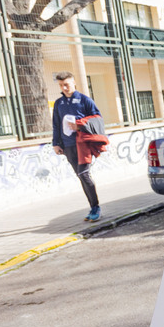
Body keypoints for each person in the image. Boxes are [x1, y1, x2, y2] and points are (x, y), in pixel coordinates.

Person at [51, 71, 102, 221]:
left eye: (66, 84)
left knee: (84, 174)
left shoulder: (84, 100)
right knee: (81, 176)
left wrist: (79, 125)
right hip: (67, 146)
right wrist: (56, 143)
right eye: (61, 85)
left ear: (74, 83)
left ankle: (95, 207)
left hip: (83, 144)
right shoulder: (59, 103)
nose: (64, 88)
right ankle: (93, 207)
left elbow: (98, 119)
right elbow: (56, 124)